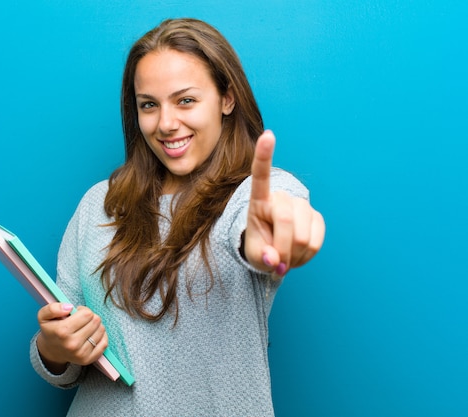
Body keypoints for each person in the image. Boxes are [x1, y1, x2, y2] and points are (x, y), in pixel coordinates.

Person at [30, 18, 325, 416]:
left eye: (186, 100)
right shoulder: (99, 204)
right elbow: (62, 359)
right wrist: (53, 348)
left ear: (227, 98)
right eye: (149, 105)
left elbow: (268, 223)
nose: (166, 124)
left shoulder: (253, 195)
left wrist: (267, 240)